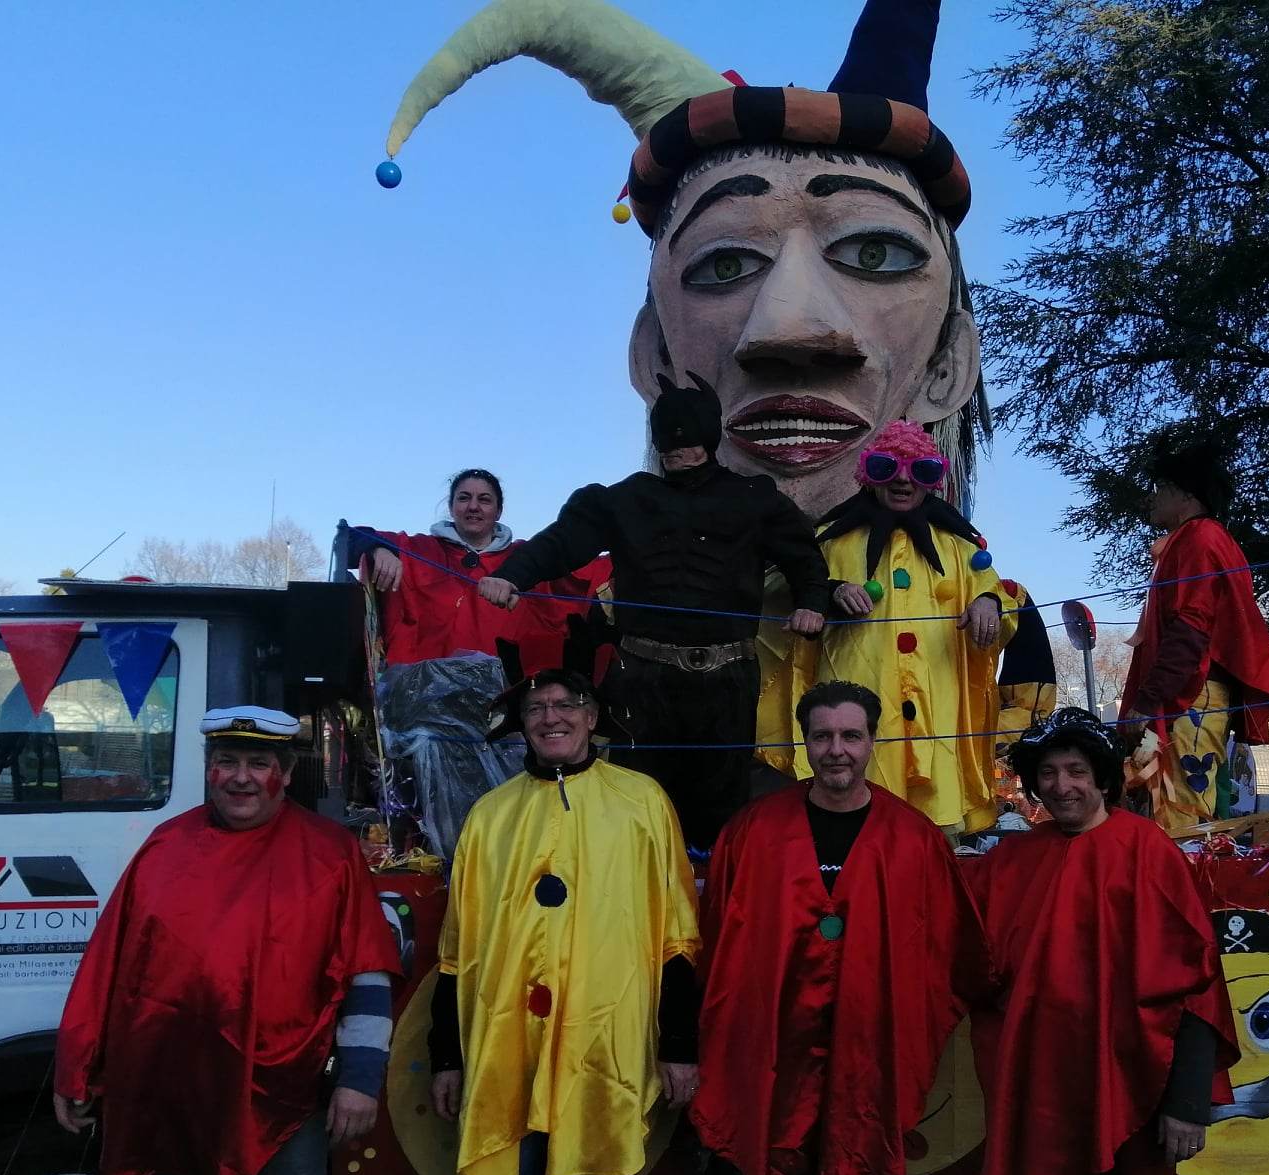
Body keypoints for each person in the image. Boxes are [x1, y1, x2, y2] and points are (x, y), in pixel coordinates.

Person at [380, 0, 989, 524]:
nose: (790, 329)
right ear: (655, 358)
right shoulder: (625, 581)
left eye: (872, 253)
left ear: (949, 362)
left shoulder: (973, 601)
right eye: (726, 264)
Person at [53, 706, 399, 1175]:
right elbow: (108, 970)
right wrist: (77, 1067)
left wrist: (362, 1076)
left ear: (283, 774)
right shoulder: (164, 849)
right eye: (228, 761)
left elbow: (368, 971)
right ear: (209, 767)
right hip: (165, 1101)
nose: (242, 777)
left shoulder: (330, 853)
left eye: (259, 763)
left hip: (283, 1104)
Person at [913, 709, 1237, 1175]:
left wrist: (1187, 1103)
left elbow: (1197, 985)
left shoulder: (1149, 855)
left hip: (1140, 1093)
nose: (1062, 787)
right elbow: (959, 950)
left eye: (1075, 773)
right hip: (1038, 1093)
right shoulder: (1011, 863)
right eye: (1049, 775)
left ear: (1101, 778)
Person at [688, 680, 991, 1175]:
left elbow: (949, 955)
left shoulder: (913, 839)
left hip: (862, 1061)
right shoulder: (754, 832)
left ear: (873, 742)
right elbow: (713, 950)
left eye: (851, 736)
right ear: (804, 743)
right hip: (769, 1063)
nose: (837, 751)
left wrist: (907, 1039)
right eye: (822, 736)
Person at [431, 667, 703, 1175]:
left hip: (604, 1055)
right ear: (519, 722)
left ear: (592, 718)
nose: (552, 717)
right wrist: (447, 1055)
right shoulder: (489, 816)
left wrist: (678, 1044)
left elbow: (678, 934)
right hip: (504, 1052)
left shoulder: (642, 802)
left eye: (566, 705)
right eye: (537, 707)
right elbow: (455, 952)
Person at [478, 375, 831, 848]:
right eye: (668, 444)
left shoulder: (754, 499)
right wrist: (514, 575)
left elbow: (804, 558)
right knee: (638, 797)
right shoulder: (622, 500)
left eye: (686, 443)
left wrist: (812, 602)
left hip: (725, 680)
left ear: (709, 439)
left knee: (721, 803)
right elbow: (563, 541)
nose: (677, 453)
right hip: (643, 678)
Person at [772, 420, 1028, 833]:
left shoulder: (961, 550)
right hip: (854, 714)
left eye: (921, 470)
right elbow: (783, 588)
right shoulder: (828, 543)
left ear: (934, 481)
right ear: (868, 478)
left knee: (934, 835)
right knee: (852, 824)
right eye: (886, 468)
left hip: (938, 712)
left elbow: (1000, 600)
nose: (904, 480)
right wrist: (827, 592)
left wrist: (989, 602)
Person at [1117, 431, 1269, 834]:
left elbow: (1193, 623)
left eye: (1161, 489)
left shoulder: (1200, 538)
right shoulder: (1196, 540)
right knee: (1168, 802)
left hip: (1192, 692)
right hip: (1190, 690)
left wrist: (1149, 697)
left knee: (1183, 808)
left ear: (1185, 496)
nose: (1153, 498)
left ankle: (1182, 887)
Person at [348, 467, 608, 671]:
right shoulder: (417, 550)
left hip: (506, 694)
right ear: (451, 508)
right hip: (427, 696)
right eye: (464, 498)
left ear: (498, 511)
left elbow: (592, 568)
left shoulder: (528, 559)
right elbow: (348, 538)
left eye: (484, 500)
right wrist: (377, 549)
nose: (473, 506)